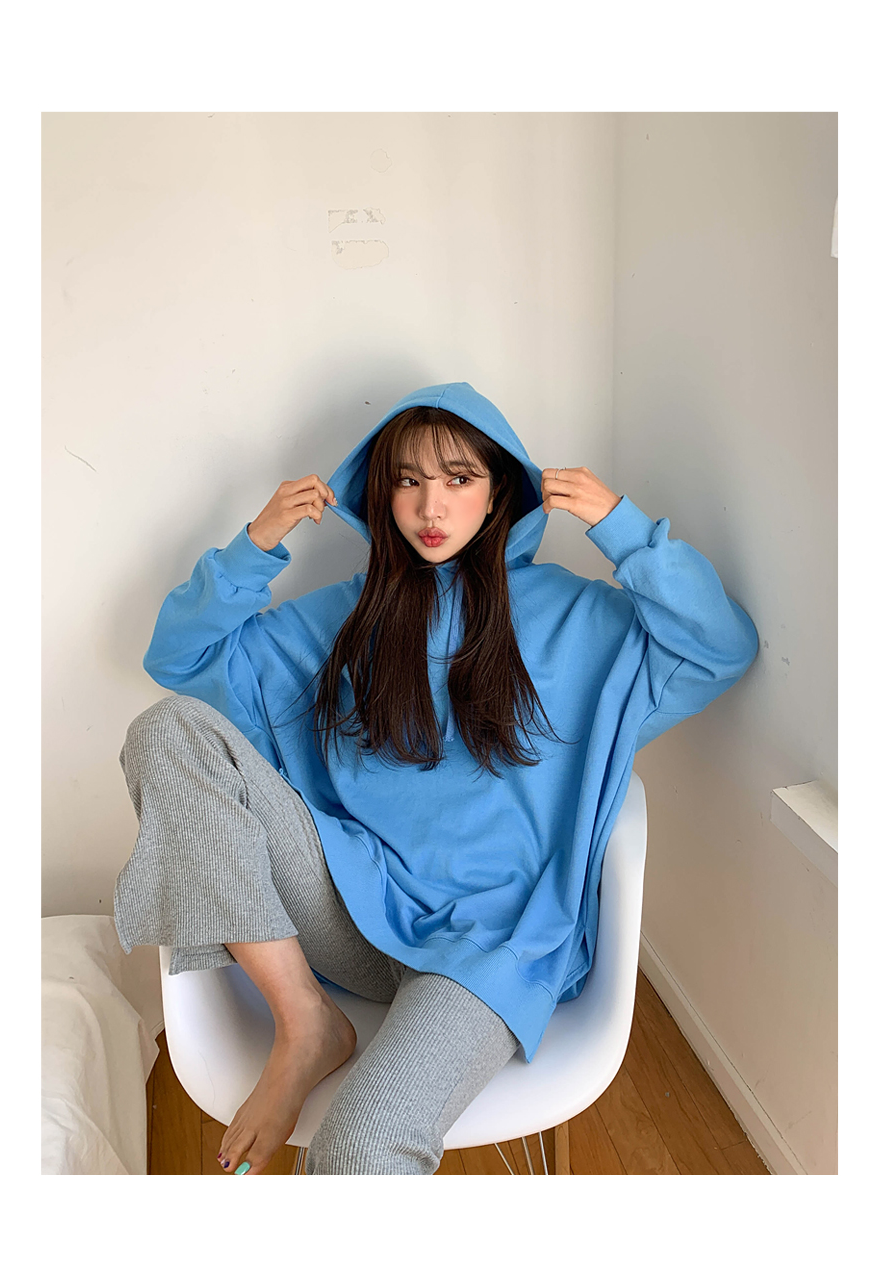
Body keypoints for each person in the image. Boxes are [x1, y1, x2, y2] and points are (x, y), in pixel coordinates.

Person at [114, 380, 759, 1176]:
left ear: (498, 492)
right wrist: (256, 544)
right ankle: (304, 1021)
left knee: (359, 1150)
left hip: (491, 944)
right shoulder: (347, 615)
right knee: (168, 730)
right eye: (408, 480)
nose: (431, 505)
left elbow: (719, 646)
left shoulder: (577, 616)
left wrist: (624, 529)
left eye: (459, 478)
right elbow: (179, 659)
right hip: (350, 911)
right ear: (382, 495)